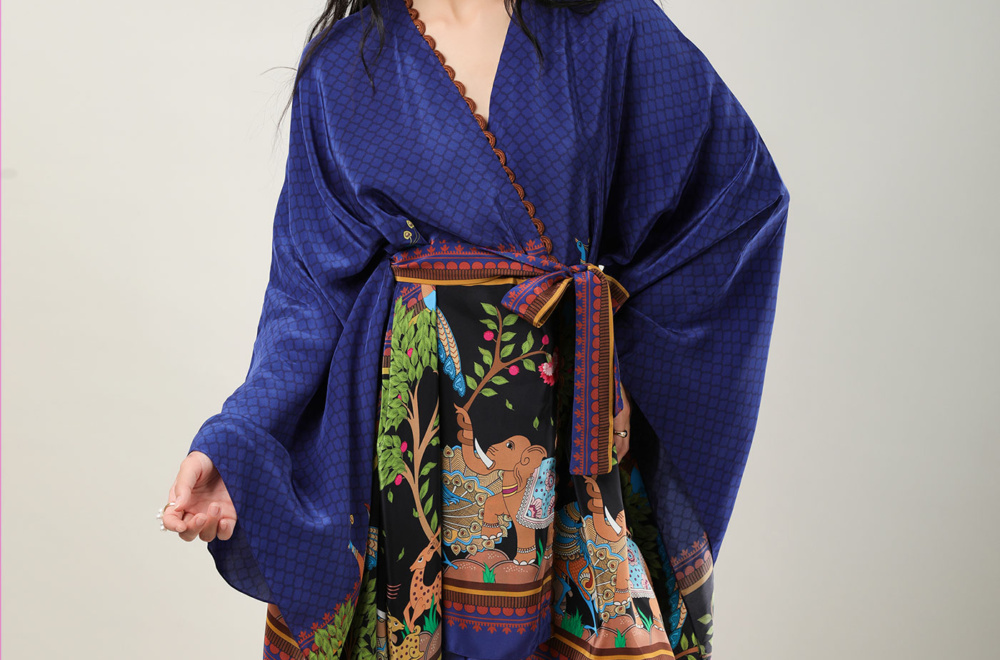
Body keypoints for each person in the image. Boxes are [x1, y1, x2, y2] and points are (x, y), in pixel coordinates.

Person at [159, 0, 790, 657]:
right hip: (408, 441)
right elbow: (309, 296)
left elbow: (737, 201)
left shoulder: (613, 28)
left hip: (569, 423)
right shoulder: (342, 66)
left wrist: (611, 343)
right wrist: (238, 440)